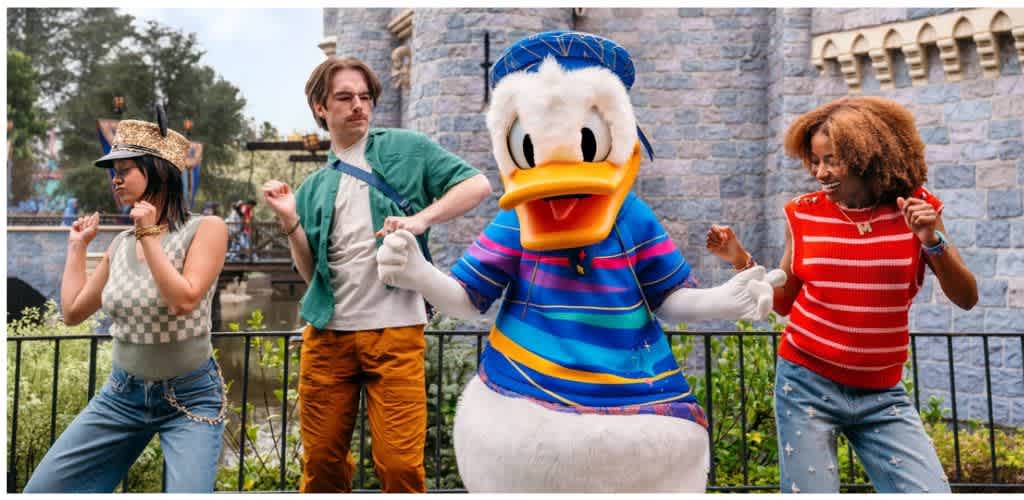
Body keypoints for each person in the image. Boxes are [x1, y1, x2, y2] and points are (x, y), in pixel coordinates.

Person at [706, 96, 977, 493]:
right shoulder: (803, 213)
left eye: (831, 160)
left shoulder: (917, 209)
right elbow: (785, 301)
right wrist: (740, 259)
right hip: (805, 385)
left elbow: (967, 297)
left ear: (866, 156)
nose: (820, 172)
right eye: (815, 161)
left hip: (882, 393)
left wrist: (931, 240)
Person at [261, 56, 491, 493]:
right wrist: (290, 220)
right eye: (345, 97)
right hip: (327, 337)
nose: (358, 106)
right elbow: (312, 276)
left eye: (365, 97)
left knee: (400, 467)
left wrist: (421, 220)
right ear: (320, 108)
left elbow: (477, 185)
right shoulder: (312, 188)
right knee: (322, 465)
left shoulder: (406, 148)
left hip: (395, 333)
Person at [24, 119, 229, 493]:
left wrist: (149, 233)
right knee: (43, 491)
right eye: (113, 173)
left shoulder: (206, 229)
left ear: (159, 171)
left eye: (124, 171)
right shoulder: (120, 244)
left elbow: (184, 300)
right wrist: (77, 248)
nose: (115, 180)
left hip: (190, 397)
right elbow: (72, 313)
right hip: (122, 395)